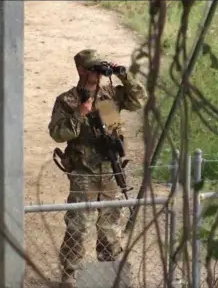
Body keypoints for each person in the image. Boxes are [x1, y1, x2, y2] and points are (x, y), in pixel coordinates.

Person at [48, 49, 147, 287]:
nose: (97, 73)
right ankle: (71, 273)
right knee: (78, 225)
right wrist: (79, 115)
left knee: (109, 227)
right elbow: (57, 133)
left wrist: (123, 75)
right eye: (92, 68)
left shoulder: (109, 94)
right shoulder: (68, 100)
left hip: (111, 169)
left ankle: (108, 270)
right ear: (81, 70)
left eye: (99, 68)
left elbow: (139, 99)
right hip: (84, 172)